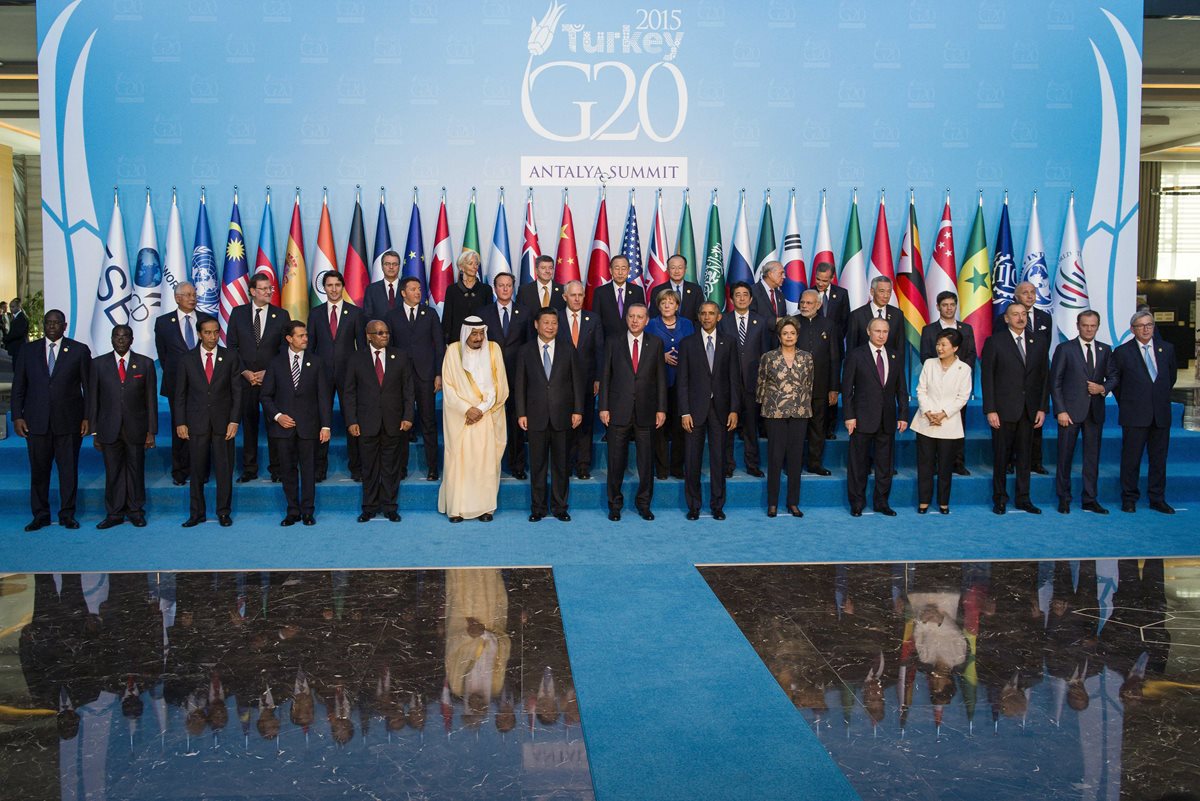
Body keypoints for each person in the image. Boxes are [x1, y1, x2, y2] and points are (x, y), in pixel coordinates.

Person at [11, 309, 92, 531]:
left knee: (68, 471)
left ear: (64, 326)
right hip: (36, 422)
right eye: (48, 322)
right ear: (43, 325)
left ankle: (67, 514)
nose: (52, 326)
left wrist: (87, 417)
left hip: (69, 422)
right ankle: (40, 515)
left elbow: (88, 387)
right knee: (39, 472)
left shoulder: (79, 350)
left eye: (57, 323)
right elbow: (19, 387)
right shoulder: (28, 350)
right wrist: (17, 416)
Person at [599, 303, 667, 521]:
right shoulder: (613, 341)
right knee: (615, 462)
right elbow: (606, 377)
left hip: (647, 411)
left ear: (647, 321)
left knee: (646, 463)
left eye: (640, 317)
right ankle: (615, 505)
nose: (635, 320)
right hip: (618, 410)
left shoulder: (656, 343)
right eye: (632, 316)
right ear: (626, 318)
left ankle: (644, 504)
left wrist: (661, 408)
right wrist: (603, 407)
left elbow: (660, 379)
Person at [515, 308, 585, 522]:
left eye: (554, 322)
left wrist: (578, 410)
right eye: (546, 322)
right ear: (536, 325)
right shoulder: (525, 351)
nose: (550, 326)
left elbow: (577, 382)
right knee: (537, 466)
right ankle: (538, 508)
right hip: (535, 416)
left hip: (562, 416)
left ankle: (560, 507)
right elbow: (520, 384)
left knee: (561, 465)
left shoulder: (568, 349)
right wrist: (521, 412)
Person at [261, 321, 333, 526]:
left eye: (306, 335)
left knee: (309, 471)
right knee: (287, 471)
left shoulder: (316, 362)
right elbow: (265, 396)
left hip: (309, 428)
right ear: (289, 339)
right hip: (283, 429)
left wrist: (326, 426)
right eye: (301, 336)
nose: (306, 339)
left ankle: (308, 511)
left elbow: (323, 397)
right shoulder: (275, 363)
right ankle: (292, 511)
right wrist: (278, 416)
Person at [343, 319, 414, 523]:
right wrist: (351, 421)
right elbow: (349, 393)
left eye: (387, 332)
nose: (385, 336)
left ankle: (390, 507)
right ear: (369, 336)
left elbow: (408, 390)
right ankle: (369, 507)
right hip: (366, 423)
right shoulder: (356, 359)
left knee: (391, 468)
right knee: (369, 468)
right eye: (380, 333)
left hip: (394, 421)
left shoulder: (400, 356)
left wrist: (408, 416)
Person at [439, 317, 509, 522]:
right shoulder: (453, 351)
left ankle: (485, 508)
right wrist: (466, 409)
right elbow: (448, 386)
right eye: (474, 334)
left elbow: (500, 385)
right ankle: (457, 509)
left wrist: (480, 409)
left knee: (485, 464)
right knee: (460, 462)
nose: (478, 338)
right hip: (461, 418)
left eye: (481, 333)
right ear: (465, 334)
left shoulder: (494, 350)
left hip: (487, 416)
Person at [981, 303, 1049, 515]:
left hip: (1029, 411)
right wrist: (990, 409)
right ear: (1006, 318)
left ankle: (1023, 498)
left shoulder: (1039, 341)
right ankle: (1000, 498)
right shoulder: (995, 342)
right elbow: (987, 378)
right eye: (1015, 314)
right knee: (1002, 457)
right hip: (1003, 411)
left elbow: (1044, 377)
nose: (1020, 318)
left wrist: (1042, 408)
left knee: (1025, 458)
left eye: (1023, 314)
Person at [175, 318, 243, 527]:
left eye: (215, 332)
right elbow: (180, 394)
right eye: (207, 332)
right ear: (199, 334)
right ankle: (197, 513)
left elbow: (237, 392)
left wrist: (234, 420)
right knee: (197, 470)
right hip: (196, 423)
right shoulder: (187, 359)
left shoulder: (230, 357)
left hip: (224, 424)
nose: (212, 337)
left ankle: (223, 512)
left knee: (224, 470)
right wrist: (181, 422)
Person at [88, 324, 157, 529]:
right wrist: (94, 430)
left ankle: (135, 511)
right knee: (113, 472)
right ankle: (114, 513)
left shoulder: (145, 364)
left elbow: (151, 401)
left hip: (137, 428)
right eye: (116, 336)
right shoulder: (98, 364)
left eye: (125, 336)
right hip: (108, 428)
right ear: (111, 339)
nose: (120, 339)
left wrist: (151, 431)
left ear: (132, 340)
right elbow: (93, 400)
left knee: (136, 471)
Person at [677, 301, 740, 520]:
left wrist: (734, 409)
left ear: (718, 317)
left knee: (719, 460)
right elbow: (682, 381)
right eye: (703, 313)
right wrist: (684, 412)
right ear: (698, 316)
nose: (707, 317)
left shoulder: (729, 342)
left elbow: (734, 379)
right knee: (692, 459)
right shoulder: (687, 343)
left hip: (721, 410)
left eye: (711, 313)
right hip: (694, 411)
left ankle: (717, 506)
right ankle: (693, 506)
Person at [1050, 310, 1117, 514]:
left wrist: (1103, 388)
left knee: (1092, 458)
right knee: (1065, 457)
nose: (1089, 329)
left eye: (1093, 325)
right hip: (1069, 413)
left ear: (1098, 326)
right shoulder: (1065, 349)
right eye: (1085, 325)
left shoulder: (1105, 350)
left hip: (1095, 412)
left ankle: (1090, 499)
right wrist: (1060, 410)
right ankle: (1064, 498)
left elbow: (1114, 376)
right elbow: (1055, 382)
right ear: (1078, 326)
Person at [226, 272, 290, 483]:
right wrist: (244, 372)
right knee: (249, 424)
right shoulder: (238, 313)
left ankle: (277, 468)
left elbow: (284, 348)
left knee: (274, 423)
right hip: (245, 379)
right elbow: (232, 347)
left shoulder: (281, 315)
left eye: (270, 288)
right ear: (252, 291)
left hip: (271, 380)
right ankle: (250, 468)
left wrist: (268, 372)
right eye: (263, 288)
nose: (268, 292)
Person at [843, 317, 909, 516]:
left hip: (887, 419)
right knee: (858, 464)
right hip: (861, 419)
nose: (881, 335)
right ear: (868, 331)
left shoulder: (895, 356)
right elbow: (847, 389)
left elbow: (901, 389)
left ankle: (882, 502)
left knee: (885, 466)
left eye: (885, 331)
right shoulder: (856, 355)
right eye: (877, 331)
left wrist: (903, 415)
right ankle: (857, 502)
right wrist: (849, 416)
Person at [1113, 311, 1177, 514]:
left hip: (1161, 414)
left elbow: (1171, 378)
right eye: (1141, 325)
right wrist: (1131, 403)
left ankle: (1157, 498)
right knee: (1131, 460)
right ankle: (1129, 498)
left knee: (1158, 460)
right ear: (1132, 329)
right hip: (1134, 414)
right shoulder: (1122, 352)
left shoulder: (1167, 349)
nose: (1146, 329)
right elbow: (1117, 385)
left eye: (1149, 324)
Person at [306, 270, 366, 482]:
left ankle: (356, 467)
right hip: (321, 375)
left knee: (352, 420)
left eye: (337, 285)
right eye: (329, 285)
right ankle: (319, 468)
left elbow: (362, 348)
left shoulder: (356, 313)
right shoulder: (315, 313)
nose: (333, 289)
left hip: (349, 375)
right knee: (321, 421)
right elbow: (310, 347)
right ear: (324, 288)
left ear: (343, 287)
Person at [385, 276, 445, 481]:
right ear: (403, 293)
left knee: (428, 422)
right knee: (402, 422)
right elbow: (389, 347)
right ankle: (401, 468)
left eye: (419, 289)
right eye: (413, 289)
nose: (418, 292)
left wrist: (438, 373)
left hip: (425, 376)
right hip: (400, 377)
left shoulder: (430, 314)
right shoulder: (392, 316)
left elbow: (439, 345)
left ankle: (432, 468)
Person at [155, 283, 214, 485]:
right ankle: (180, 471)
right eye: (188, 295)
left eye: (194, 294)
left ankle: (202, 471)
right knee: (179, 427)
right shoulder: (163, 323)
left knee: (203, 428)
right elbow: (164, 356)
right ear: (177, 298)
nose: (192, 298)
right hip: (176, 385)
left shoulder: (206, 320)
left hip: (204, 386)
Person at [756, 317, 814, 518]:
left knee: (796, 459)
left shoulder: (807, 358)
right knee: (775, 458)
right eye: (785, 333)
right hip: (775, 413)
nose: (789, 337)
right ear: (779, 337)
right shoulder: (768, 357)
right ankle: (772, 503)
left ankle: (793, 503)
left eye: (792, 333)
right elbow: (761, 384)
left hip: (800, 413)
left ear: (797, 336)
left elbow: (809, 384)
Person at [911, 329, 972, 514]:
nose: (939, 348)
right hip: (926, 421)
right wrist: (929, 412)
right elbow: (921, 390)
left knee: (945, 466)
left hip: (949, 423)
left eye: (944, 345)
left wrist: (944, 414)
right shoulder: (929, 364)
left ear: (955, 348)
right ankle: (924, 501)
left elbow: (963, 397)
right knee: (925, 465)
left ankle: (943, 502)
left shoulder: (964, 369)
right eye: (938, 344)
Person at [919, 291, 977, 476]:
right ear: (938, 307)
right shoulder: (929, 330)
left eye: (952, 304)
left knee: (958, 424)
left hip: (958, 386)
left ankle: (957, 462)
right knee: (934, 425)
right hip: (936, 387)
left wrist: (958, 374)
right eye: (945, 305)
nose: (949, 308)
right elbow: (925, 356)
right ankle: (937, 463)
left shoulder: (966, 329)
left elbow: (971, 355)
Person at [479, 272, 529, 479]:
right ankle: (492, 466)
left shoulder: (525, 312)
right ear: (495, 288)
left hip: (518, 376)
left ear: (513, 287)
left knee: (516, 422)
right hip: (491, 377)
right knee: (491, 423)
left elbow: (529, 345)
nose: (505, 289)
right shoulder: (483, 313)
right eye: (501, 285)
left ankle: (517, 465)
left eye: (509, 285)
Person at [718, 281, 769, 477]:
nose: (741, 298)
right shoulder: (723, 321)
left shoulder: (761, 321)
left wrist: (763, 382)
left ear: (751, 298)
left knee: (750, 427)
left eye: (745, 294)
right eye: (737, 294)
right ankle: (727, 465)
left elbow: (765, 354)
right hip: (727, 384)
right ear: (731, 299)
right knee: (727, 426)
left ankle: (752, 464)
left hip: (752, 383)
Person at [557, 280, 604, 479]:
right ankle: (565, 464)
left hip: (587, 382)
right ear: (564, 297)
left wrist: (599, 378)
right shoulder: (556, 318)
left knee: (585, 425)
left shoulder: (593, 319)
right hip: (561, 382)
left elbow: (599, 350)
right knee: (564, 424)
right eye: (573, 295)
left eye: (580, 295)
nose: (577, 299)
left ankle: (583, 465)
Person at [645, 289, 694, 479]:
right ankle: (662, 468)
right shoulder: (651, 325)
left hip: (682, 383)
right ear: (658, 306)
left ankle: (677, 467)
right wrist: (661, 356)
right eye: (663, 302)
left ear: (677, 305)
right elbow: (645, 350)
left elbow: (693, 347)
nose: (667, 305)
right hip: (658, 383)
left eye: (671, 302)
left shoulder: (687, 324)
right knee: (660, 427)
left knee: (680, 427)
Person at [794, 289, 840, 474]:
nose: (804, 306)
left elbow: (835, 358)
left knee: (817, 427)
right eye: (802, 302)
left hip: (821, 386)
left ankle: (814, 464)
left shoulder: (829, 325)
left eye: (809, 303)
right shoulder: (792, 322)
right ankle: (794, 465)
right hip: (795, 387)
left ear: (818, 305)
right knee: (796, 429)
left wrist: (834, 387)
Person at [810, 263, 850, 440]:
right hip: (813, 350)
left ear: (832, 278)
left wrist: (833, 338)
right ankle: (811, 427)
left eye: (824, 280)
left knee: (832, 388)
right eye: (818, 279)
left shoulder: (841, 294)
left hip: (834, 349)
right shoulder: (808, 293)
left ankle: (829, 428)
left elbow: (845, 321)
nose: (820, 283)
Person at [441, 251, 494, 345]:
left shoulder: (486, 289)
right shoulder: (452, 290)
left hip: (480, 340)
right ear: (462, 267)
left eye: (476, 264)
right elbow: (447, 318)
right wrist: (445, 342)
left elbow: (489, 318)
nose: (475, 267)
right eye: (470, 263)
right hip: (457, 340)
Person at [593, 254, 646, 339]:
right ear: (611, 270)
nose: (620, 272)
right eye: (617, 268)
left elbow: (642, 317)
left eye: (623, 268)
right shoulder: (600, 292)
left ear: (628, 270)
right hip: (608, 341)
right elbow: (596, 321)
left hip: (631, 340)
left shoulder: (637, 291)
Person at [648, 254, 703, 323]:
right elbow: (654, 316)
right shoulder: (657, 290)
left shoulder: (696, 290)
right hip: (663, 329)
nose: (677, 271)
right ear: (668, 270)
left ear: (685, 269)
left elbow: (700, 316)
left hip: (690, 329)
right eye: (673, 268)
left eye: (680, 268)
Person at [363, 249, 404, 322]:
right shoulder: (371, 289)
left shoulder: (406, 287)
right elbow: (367, 316)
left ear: (399, 267)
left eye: (395, 264)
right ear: (382, 266)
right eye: (387, 264)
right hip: (379, 329)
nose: (391, 267)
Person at [751, 260, 788, 337]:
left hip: (777, 340)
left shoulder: (780, 295)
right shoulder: (752, 291)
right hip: (759, 339)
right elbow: (750, 317)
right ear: (770, 274)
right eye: (781, 273)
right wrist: (774, 321)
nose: (784, 277)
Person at [3, 296, 28, 364]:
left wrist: (6, 338)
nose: (11, 309)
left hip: (19, 347)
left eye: (13, 307)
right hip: (16, 347)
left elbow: (17, 333)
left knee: (18, 366)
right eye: (10, 307)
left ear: (18, 307)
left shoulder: (21, 318)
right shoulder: (16, 317)